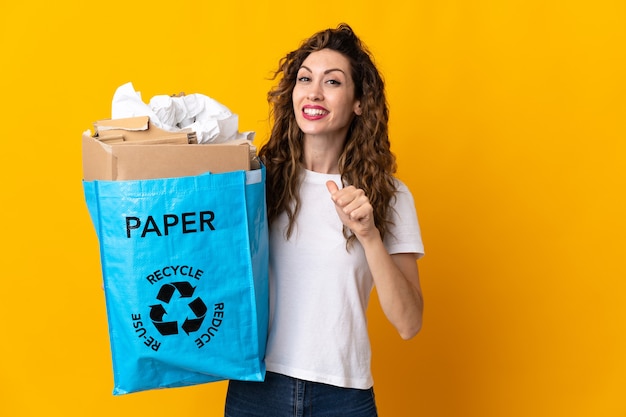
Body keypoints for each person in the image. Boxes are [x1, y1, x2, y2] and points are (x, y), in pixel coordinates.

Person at [225, 23, 424, 417]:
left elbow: (409, 322)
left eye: (332, 82)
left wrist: (368, 236)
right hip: (256, 391)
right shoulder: (256, 182)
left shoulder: (389, 196)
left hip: (343, 398)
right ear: (292, 94)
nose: (314, 91)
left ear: (359, 102)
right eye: (304, 79)